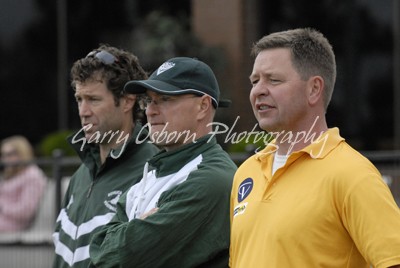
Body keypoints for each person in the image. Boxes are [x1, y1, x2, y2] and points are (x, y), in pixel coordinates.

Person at [229, 28, 400, 268]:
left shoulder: (353, 174)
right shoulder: (246, 173)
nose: (258, 90)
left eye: (273, 80)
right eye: (255, 81)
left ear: (314, 89)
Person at [88, 57, 237, 267]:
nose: (150, 111)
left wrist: (125, 233)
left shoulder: (211, 178)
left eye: (165, 99)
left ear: (203, 106)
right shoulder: (157, 169)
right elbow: (98, 248)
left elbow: (121, 259)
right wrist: (132, 233)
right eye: (148, 100)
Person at [52, 44, 159, 268]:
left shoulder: (154, 170)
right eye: (79, 99)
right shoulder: (80, 175)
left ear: (128, 100)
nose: (83, 111)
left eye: (93, 99)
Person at [0, 135, 47, 232]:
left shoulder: (32, 176)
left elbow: (25, 211)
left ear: (23, 153)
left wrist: (2, 207)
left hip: (14, 224)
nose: (5, 159)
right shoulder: (12, 175)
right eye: (3, 155)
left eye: (10, 154)